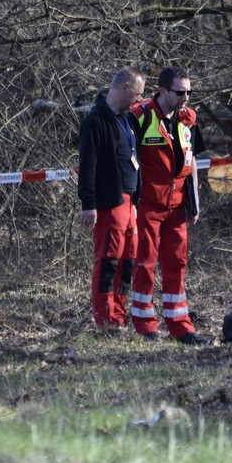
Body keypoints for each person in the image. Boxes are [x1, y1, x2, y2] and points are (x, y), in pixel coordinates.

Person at [130, 66, 211, 345]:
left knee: (177, 264)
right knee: (145, 264)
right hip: (147, 206)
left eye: (189, 91)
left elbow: (193, 162)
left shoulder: (189, 118)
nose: (185, 97)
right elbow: (128, 161)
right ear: (163, 91)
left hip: (177, 207)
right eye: (179, 92)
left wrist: (195, 201)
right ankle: (145, 325)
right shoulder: (140, 117)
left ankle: (181, 326)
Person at [77, 67, 146, 330]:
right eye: (137, 94)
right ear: (125, 87)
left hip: (130, 202)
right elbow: (88, 164)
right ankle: (105, 320)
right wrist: (89, 204)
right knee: (109, 258)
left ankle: (119, 315)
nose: (138, 100)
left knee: (128, 259)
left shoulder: (128, 120)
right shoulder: (96, 120)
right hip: (109, 202)